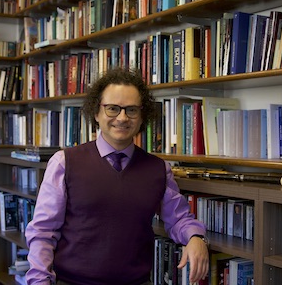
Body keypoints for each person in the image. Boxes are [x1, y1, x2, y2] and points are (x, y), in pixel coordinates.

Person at [25, 67, 209, 285]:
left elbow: (178, 218)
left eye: (131, 110)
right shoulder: (64, 162)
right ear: (96, 112)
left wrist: (196, 237)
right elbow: (43, 232)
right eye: (112, 108)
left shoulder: (159, 169)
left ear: (142, 117)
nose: (122, 118)